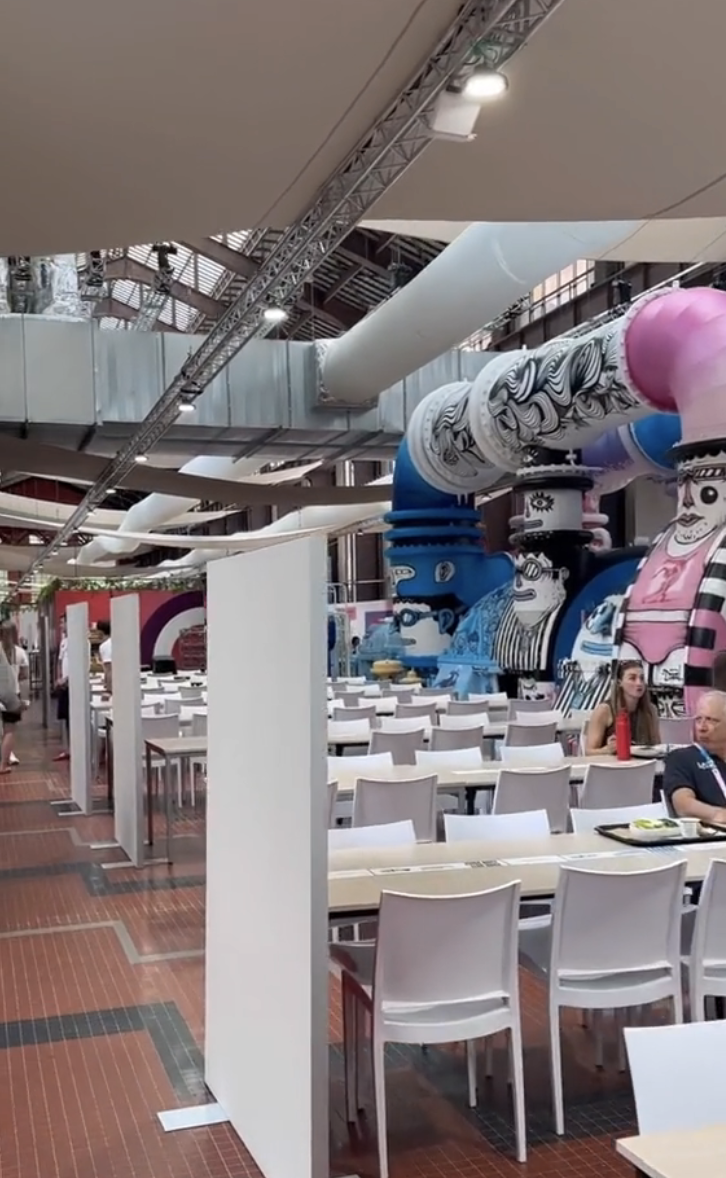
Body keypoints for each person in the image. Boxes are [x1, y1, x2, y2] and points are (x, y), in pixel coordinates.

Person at [663, 691, 726, 823]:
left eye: (711, 720)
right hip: (714, 832)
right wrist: (717, 814)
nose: (702, 728)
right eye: (698, 720)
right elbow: (683, 804)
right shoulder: (681, 758)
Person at [586, 659, 660, 754]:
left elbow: (657, 746)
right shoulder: (605, 710)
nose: (639, 683)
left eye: (642, 678)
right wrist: (608, 750)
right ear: (619, 682)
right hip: (611, 766)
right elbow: (589, 752)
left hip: (642, 765)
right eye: (632, 678)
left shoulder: (651, 710)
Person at [0, 621, 28, 773]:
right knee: (9, 730)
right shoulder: (20, 652)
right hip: (12, 694)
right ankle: (3, 764)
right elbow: (24, 676)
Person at [54, 616, 70, 762]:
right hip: (63, 686)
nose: (61, 625)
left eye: (62, 622)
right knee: (65, 717)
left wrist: (67, 679)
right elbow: (60, 661)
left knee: (73, 719)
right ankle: (68, 749)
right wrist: (59, 678)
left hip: (73, 686)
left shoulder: (82, 641)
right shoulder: (64, 642)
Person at [97, 619, 112, 693]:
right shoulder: (114, 642)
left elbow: (109, 670)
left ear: (101, 632)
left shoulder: (105, 646)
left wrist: (108, 691)